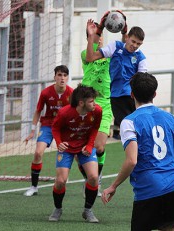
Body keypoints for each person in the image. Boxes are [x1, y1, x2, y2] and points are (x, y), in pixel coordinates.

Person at [101, 72, 174, 231]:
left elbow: (132, 160)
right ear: (155, 94)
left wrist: (113, 186)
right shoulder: (171, 118)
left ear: (131, 94)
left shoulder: (129, 122)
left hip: (149, 187)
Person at [86, 12, 147, 139]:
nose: (135, 46)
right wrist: (95, 33)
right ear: (128, 37)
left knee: (138, 132)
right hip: (118, 98)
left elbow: (142, 82)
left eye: (138, 44)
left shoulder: (141, 58)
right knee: (130, 132)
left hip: (135, 98)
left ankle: (138, 157)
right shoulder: (115, 47)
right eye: (133, 41)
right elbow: (90, 57)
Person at [48, 84, 102, 223]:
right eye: (91, 101)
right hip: (66, 148)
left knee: (94, 177)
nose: (94, 104)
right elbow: (55, 128)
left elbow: (95, 128)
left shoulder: (97, 111)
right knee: (61, 181)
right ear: (81, 103)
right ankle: (58, 208)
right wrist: (59, 142)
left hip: (85, 146)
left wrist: (90, 145)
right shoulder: (65, 112)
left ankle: (88, 211)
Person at [23, 65, 73, 197]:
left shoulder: (72, 93)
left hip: (64, 128)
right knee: (38, 153)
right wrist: (32, 131)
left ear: (67, 78)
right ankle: (34, 187)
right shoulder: (45, 92)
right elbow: (38, 111)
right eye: (59, 75)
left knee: (78, 155)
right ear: (55, 77)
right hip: (48, 125)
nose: (62, 78)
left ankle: (89, 183)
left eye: (65, 75)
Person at [78, 19, 114, 197]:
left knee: (99, 147)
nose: (99, 41)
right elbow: (89, 53)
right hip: (85, 106)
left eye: (100, 38)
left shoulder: (108, 57)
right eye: (95, 38)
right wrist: (91, 35)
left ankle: (96, 178)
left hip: (104, 105)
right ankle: (89, 179)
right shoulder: (86, 54)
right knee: (81, 149)